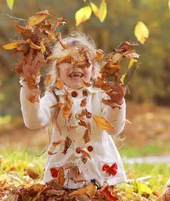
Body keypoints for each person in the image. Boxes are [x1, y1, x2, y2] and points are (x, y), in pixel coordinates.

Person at [19, 33, 128, 189]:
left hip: (99, 173)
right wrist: (29, 86)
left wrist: (117, 104)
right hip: (64, 174)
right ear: (56, 69)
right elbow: (33, 122)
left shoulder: (101, 95)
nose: (75, 65)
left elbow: (113, 129)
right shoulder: (54, 96)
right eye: (67, 61)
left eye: (83, 61)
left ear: (93, 68)